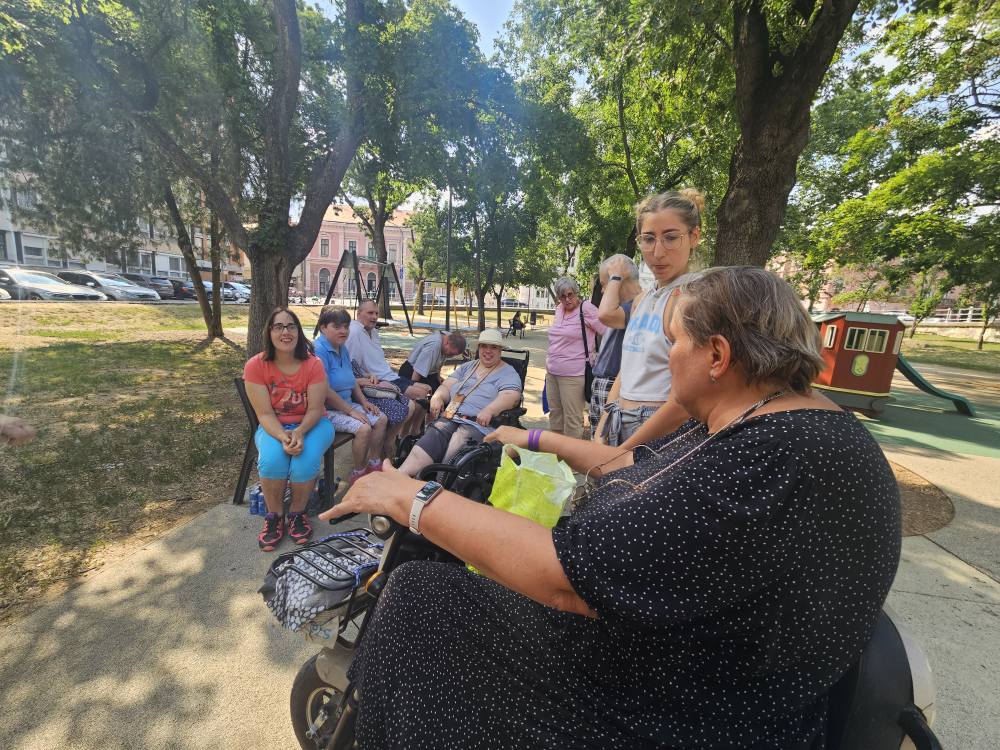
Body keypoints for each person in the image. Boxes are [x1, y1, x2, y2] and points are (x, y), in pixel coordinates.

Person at [320, 266, 901, 749]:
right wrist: (533, 438)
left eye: (675, 342)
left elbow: (564, 581)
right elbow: (634, 465)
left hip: (674, 710)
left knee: (420, 596)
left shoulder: (766, 460)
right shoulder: (779, 422)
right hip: (699, 670)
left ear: (718, 356)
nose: (667, 357)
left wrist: (411, 497)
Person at [595, 188, 703, 446]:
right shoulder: (643, 299)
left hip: (657, 429)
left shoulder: (694, 299)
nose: (658, 252)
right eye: (648, 239)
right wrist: (602, 431)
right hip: (618, 419)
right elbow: (627, 369)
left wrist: (623, 451)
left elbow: (687, 397)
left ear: (694, 237)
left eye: (671, 237)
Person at [243, 307, 334, 551]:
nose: (286, 332)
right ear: (269, 332)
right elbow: (264, 414)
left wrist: (300, 432)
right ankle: (274, 517)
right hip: (274, 426)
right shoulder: (255, 366)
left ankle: (297, 514)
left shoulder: (314, 364)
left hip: (313, 424)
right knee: (271, 461)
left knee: (304, 462)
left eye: (291, 326)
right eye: (279, 327)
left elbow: (316, 409)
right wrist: (284, 436)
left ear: (298, 332)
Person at [395, 328, 522, 478]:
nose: (488, 351)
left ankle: (440, 483)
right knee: (433, 435)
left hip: (477, 424)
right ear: (479, 348)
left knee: (457, 443)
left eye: (493, 347)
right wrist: (438, 397)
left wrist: (490, 410)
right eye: (484, 346)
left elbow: (511, 396)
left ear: (500, 350)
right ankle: (399, 476)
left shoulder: (508, 372)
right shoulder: (468, 366)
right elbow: (446, 386)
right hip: (451, 417)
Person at [314, 306, 390, 485]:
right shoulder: (318, 351)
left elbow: (351, 379)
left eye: (346, 327)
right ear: (323, 328)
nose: (343, 331)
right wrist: (351, 411)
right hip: (326, 411)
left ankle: (374, 464)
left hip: (346, 405)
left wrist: (363, 402)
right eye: (337, 327)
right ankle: (359, 473)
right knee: (363, 428)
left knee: (381, 419)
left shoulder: (342, 348)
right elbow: (324, 390)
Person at [347, 299, 424, 439]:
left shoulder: (373, 331)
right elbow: (352, 367)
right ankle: (396, 438)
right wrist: (368, 378)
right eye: (370, 313)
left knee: (426, 390)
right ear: (358, 313)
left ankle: (407, 434)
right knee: (418, 398)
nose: (374, 317)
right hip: (377, 380)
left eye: (376, 313)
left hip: (388, 375)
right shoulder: (354, 332)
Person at [544, 276, 606, 439]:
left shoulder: (586, 309)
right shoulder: (559, 309)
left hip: (573, 375)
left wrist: (598, 356)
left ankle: (571, 455)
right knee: (555, 416)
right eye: (562, 296)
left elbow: (607, 332)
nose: (567, 299)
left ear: (576, 292)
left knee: (572, 420)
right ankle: (556, 452)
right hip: (552, 373)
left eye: (570, 294)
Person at [588, 254, 641, 438]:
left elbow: (605, 314)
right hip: (604, 382)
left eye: (605, 284)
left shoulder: (636, 305)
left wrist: (615, 276)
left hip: (614, 385)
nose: (604, 291)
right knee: (597, 437)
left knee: (606, 439)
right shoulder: (622, 307)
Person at [397, 330, 467, 393]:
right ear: (447, 343)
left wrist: (439, 382)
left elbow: (438, 366)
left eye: (454, 355)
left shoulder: (448, 337)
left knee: (446, 390)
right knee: (431, 395)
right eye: (450, 353)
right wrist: (414, 390)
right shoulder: (433, 347)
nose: (451, 356)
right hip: (411, 373)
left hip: (428, 374)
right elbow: (417, 372)